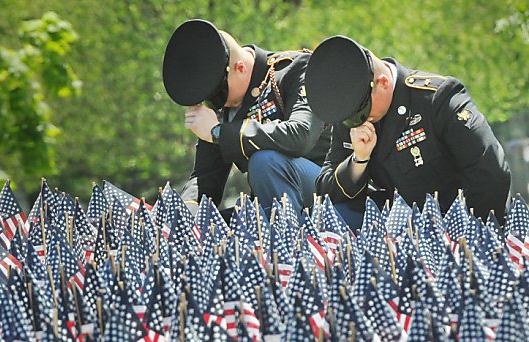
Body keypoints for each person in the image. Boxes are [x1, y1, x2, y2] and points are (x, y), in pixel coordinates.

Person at [307, 35, 511, 229]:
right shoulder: (353, 114)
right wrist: (358, 160)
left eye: (360, 112)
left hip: (455, 223)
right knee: (333, 215)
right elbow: (325, 191)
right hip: (396, 229)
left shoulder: (437, 98)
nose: (357, 121)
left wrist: (468, 234)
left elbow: (491, 172)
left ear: (383, 83)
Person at [163, 19, 330, 218]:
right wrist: (187, 211)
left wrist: (219, 133)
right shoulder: (225, 106)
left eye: (219, 94)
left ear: (240, 68)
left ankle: (289, 241)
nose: (218, 104)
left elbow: (301, 134)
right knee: (213, 223)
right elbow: (205, 179)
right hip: (271, 203)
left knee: (266, 160)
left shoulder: (296, 69)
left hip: (325, 190)